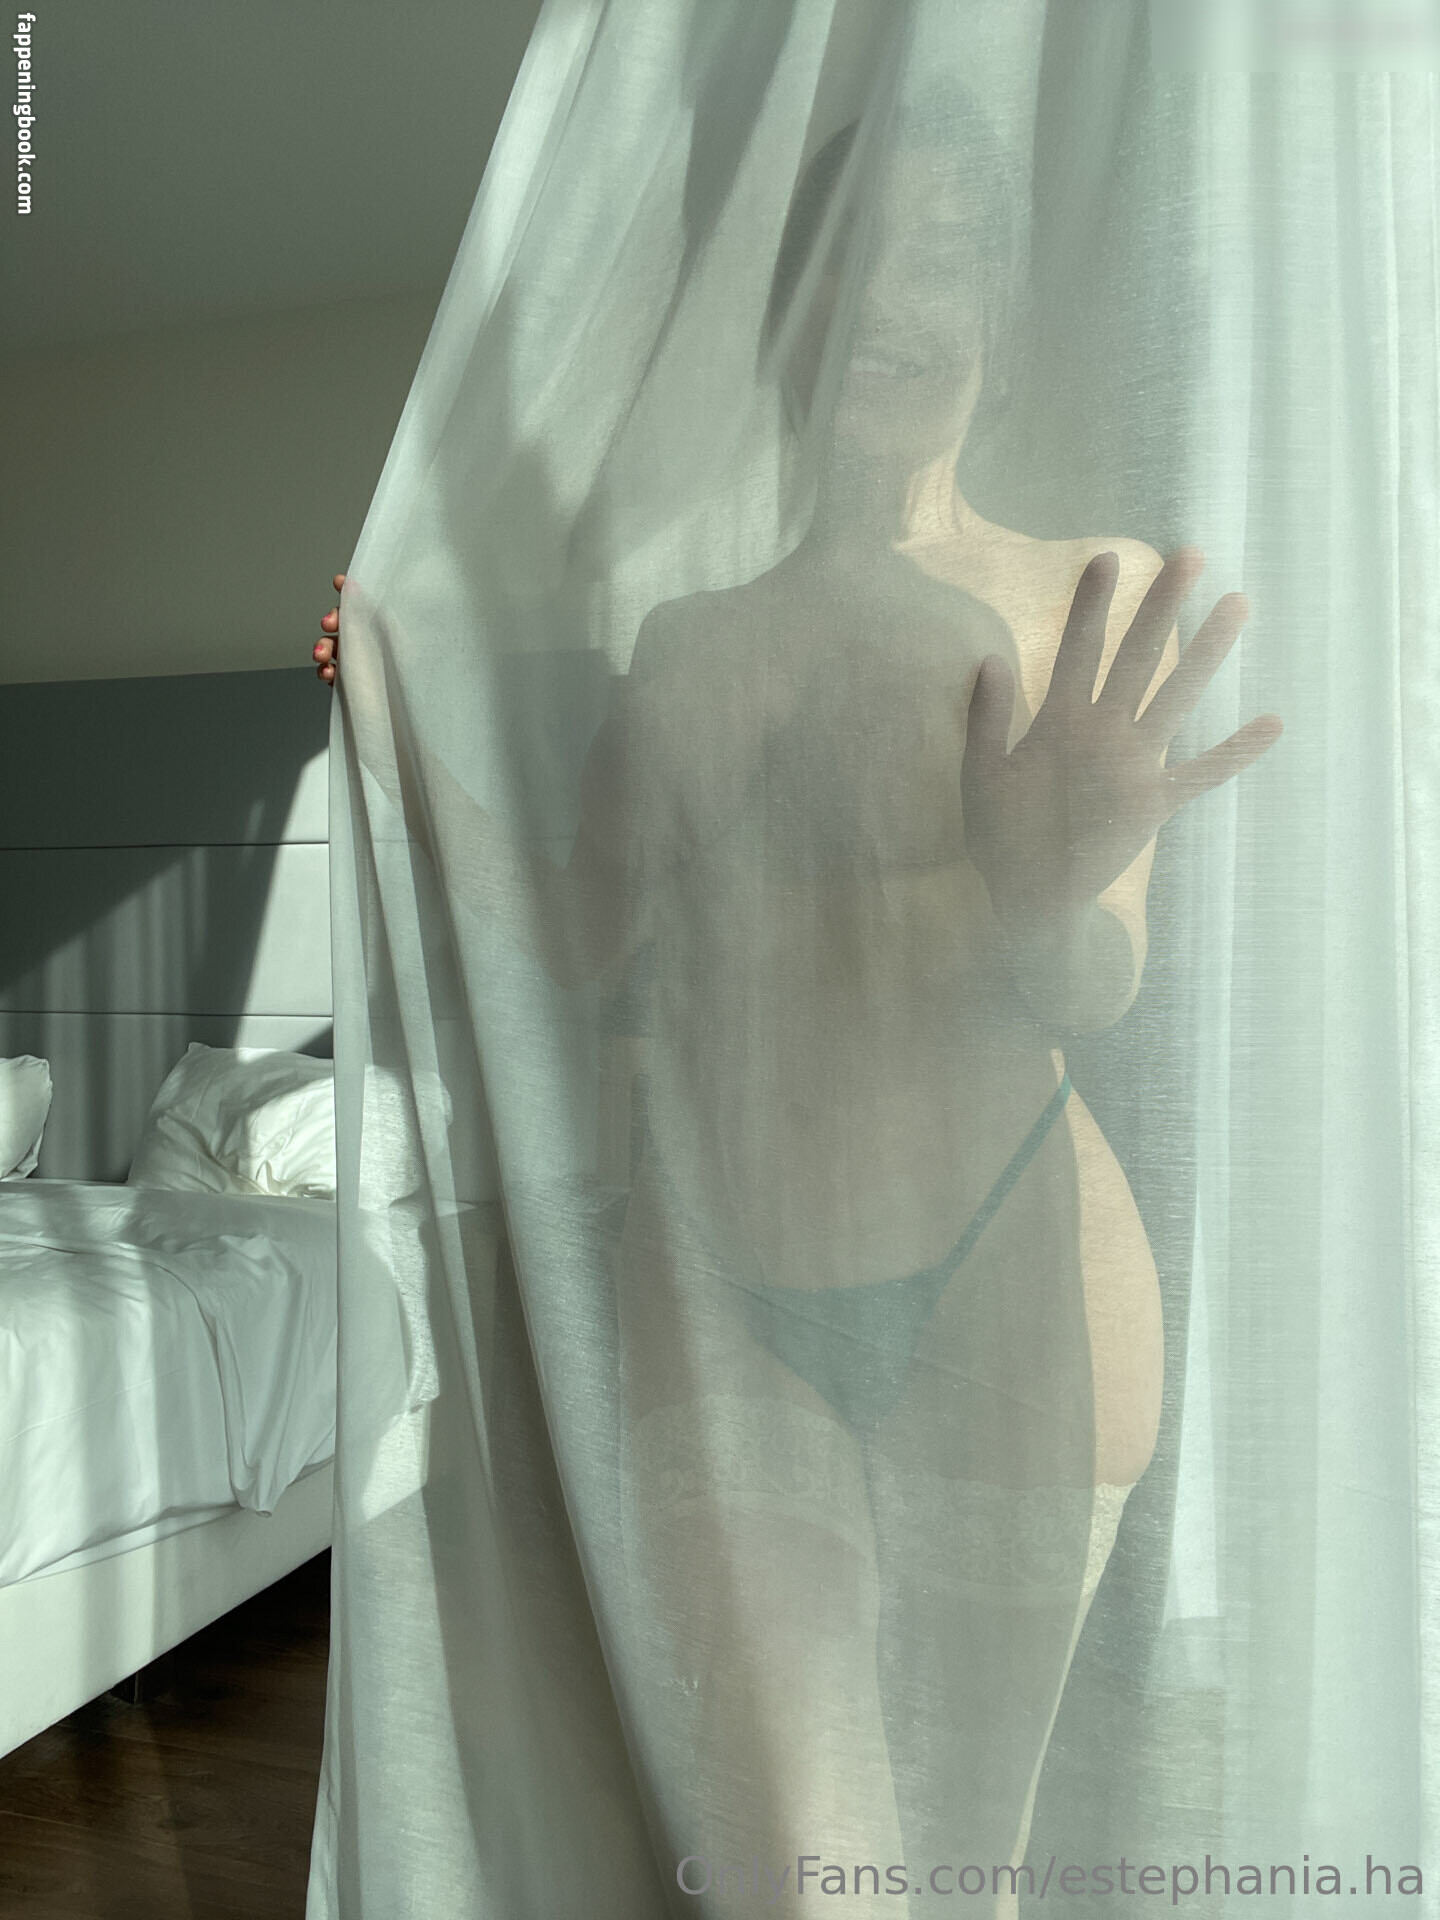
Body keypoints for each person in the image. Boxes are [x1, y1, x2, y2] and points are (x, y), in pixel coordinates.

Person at [313, 98, 1281, 1919]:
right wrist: (397, 751)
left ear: (996, 319)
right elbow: (576, 941)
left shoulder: (1078, 597)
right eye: (850, 258)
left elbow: (1103, 980)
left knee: (970, 1872)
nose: (892, 301)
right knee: (800, 1883)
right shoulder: (685, 645)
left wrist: (1046, 891)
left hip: (1015, 1279)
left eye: (944, 258)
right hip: (733, 1310)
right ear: (782, 316)